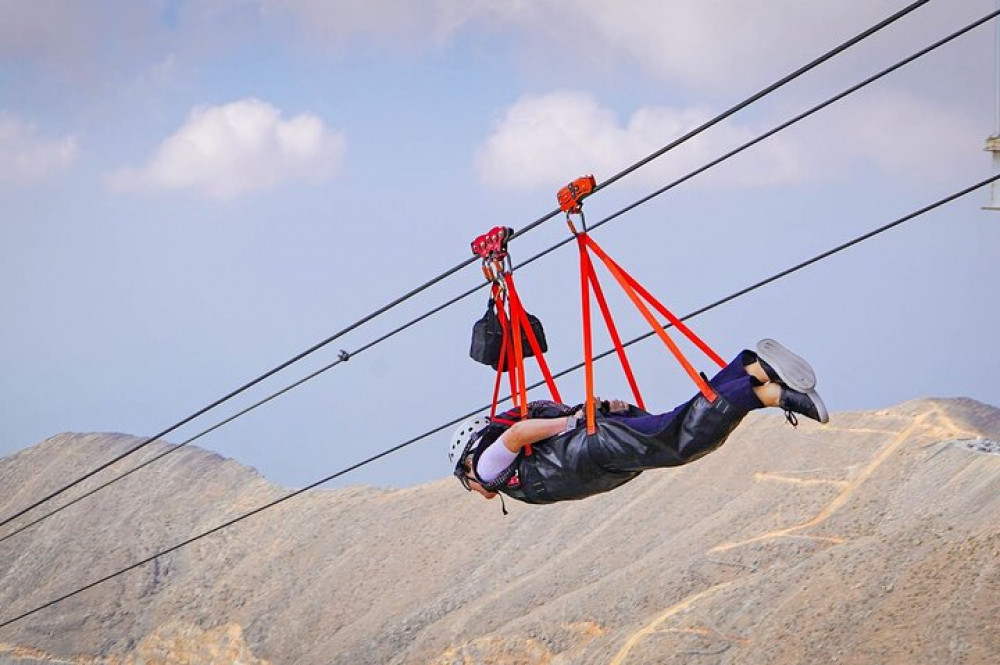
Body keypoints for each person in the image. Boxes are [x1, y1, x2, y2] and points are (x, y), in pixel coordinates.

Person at [449, 338, 828, 505]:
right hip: (598, 447)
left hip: (595, 448)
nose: (476, 491)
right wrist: (587, 416)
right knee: (678, 423)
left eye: (467, 484)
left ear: (467, 465)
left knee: (681, 442)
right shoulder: (509, 473)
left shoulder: (485, 466)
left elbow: (516, 435)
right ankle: (752, 371)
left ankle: (767, 390)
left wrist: (575, 423)